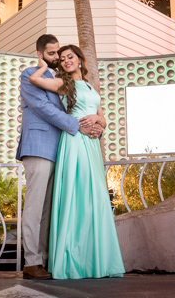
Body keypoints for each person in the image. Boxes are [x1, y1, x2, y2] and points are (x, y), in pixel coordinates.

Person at [29, 45, 125, 280]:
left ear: (81, 60)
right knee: (77, 195)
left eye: (70, 57)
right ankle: (73, 261)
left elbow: (103, 119)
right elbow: (33, 79)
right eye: (61, 59)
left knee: (94, 197)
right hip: (73, 142)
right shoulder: (64, 85)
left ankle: (96, 260)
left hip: (92, 145)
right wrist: (43, 66)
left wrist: (97, 119)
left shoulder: (91, 86)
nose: (65, 61)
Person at [16, 35, 103, 280]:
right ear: (40, 53)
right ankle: (32, 262)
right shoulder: (30, 75)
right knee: (35, 206)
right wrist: (78, 126)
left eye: (59, 53)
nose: (57, 58)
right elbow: (44, 109)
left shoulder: (61, 80)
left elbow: (84, 108)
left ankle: (45, 260)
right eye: (52, 53)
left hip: (65, 149)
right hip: (39, 147)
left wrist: (95, 125)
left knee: (50, 209)